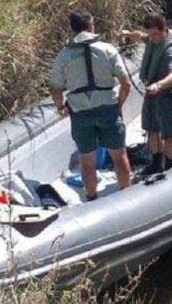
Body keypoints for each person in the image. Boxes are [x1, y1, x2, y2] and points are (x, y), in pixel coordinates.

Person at [49, 11, 132, 201]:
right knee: (119, 155)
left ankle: (92, 197)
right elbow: (126, 83)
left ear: (72, 29)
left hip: (80, 112)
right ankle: (127, 195)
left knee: (87, 161)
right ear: (91, 26)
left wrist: (61, 107)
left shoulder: (63, 55)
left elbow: (55, 87)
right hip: (108, 109)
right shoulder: (107, 49)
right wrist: (118, 103)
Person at [124, 13, 172, 175]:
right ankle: (156, 163)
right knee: (151, 129)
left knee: (168, 134)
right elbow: (143, 37)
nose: (151, 37)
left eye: (154, 34)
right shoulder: (152, 39)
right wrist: (130, 35)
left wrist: (159, 85)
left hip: (165, 95)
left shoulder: (171, 50)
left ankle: (170, 167)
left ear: (164, 30)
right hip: (151, 92)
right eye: (149, 34)